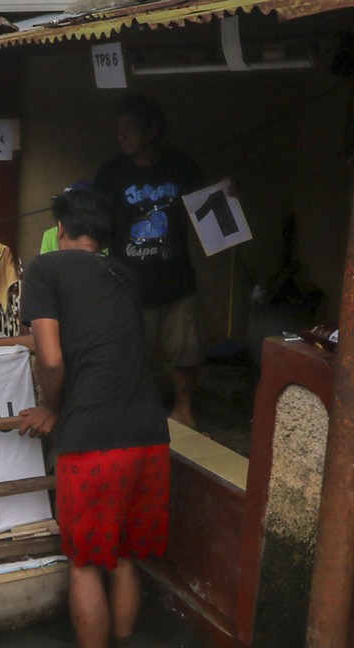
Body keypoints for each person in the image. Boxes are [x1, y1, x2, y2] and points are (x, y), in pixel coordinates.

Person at [18, 187, 170, 648]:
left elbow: (52, 356)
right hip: (150, 435)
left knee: (84, 563)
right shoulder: (125, 274)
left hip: (92, 439)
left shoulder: (44, 268)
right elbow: (97, 340)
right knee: (122, 555)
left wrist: (53, 408)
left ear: (59, 229)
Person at [94, 95, 204, 429]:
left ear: (152, 131)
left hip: (176, 279)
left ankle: (183, 410)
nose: (122, 136)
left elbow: (205, 206)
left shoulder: (181, 166)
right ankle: (136, 412)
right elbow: (97, 223)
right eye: (119, 130)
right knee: (129, 353)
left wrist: (228, 195)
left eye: (129, 129)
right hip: (128, 282)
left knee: (187, 350)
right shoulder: (111, 173)